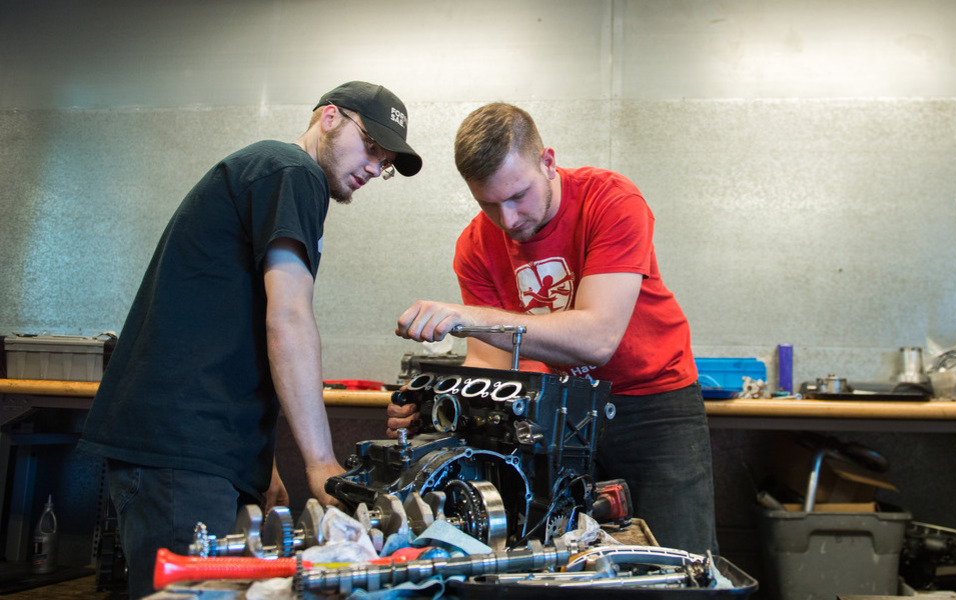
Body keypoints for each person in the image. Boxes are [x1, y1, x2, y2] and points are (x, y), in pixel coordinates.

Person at [78, 81, 421, 599]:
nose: (376, 166)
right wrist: (321, 463)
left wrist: (264, 467)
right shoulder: (291, 170)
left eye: (387, 161)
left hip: (200, 451)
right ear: (329, 117)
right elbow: (288, 318)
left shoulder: (273, 178)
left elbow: (241, 330)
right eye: (371, 146)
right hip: (183, 449)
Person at [387, 102, 717, 555]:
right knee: (561, 560)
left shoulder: (611, 201)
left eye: (517, 195)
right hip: (557, 413)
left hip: (652, 405)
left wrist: (475, 318)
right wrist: (432, 417)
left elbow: (598, 339)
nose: (508, 220)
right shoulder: (475, 246)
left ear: (547, 162)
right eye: (488, 204)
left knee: (678, 559)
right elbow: (493, 366)